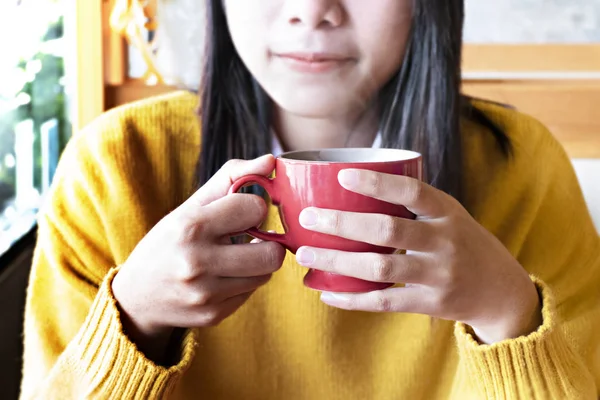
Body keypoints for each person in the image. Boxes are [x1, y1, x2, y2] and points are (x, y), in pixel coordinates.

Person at [20, 1, 600, 399]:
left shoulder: (523, 166)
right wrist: (136, 318)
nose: (313, 9)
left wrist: (506, 313)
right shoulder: (115, 167)